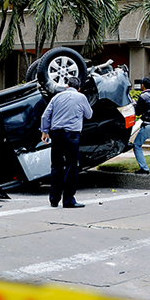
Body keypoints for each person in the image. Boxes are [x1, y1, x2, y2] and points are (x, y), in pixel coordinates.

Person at [40, 76, 93, 208]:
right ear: (79, 88)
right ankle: (68, 200)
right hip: (72, 136)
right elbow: (89, 115)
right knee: (71, 167)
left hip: (56, 134)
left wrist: (44, 131)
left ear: (67, 86)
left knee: (56, 166)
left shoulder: (57, 97)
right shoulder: (81, 97)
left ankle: (54, 199)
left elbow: (45, 115)